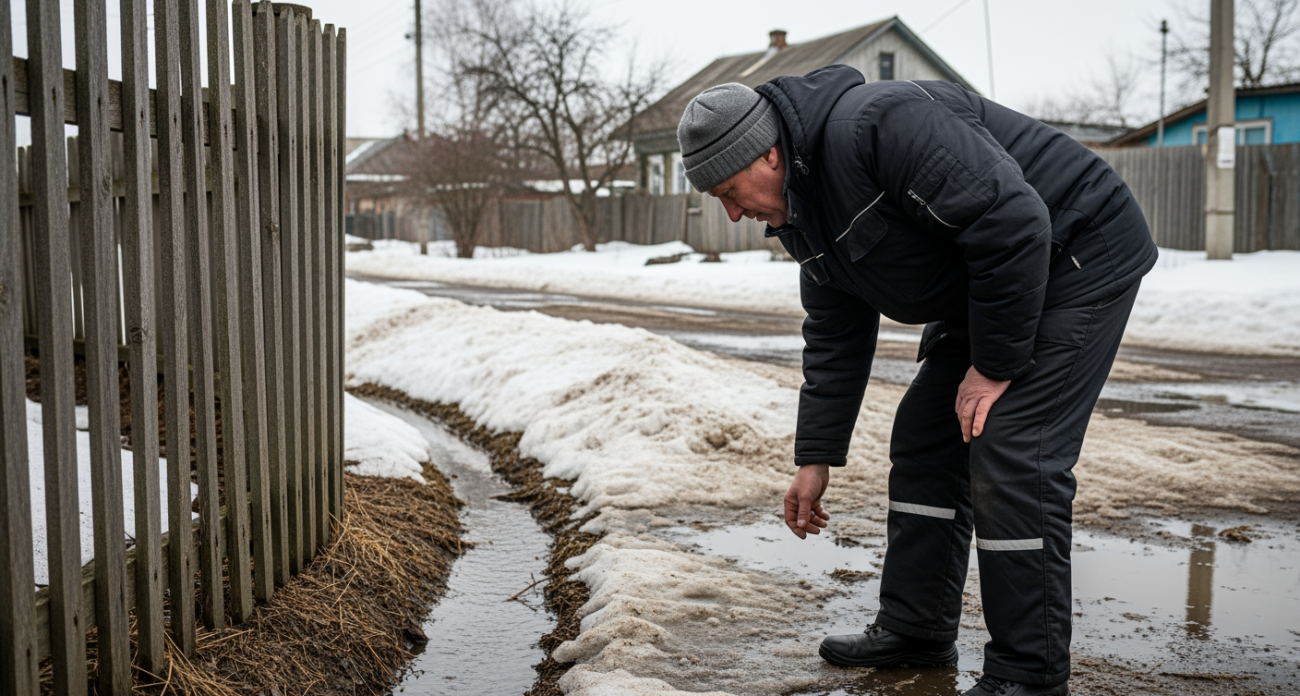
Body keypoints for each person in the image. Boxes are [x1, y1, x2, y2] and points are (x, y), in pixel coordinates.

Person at [674, 66, 1157, 696]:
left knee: (1011, 446)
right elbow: (835, 334)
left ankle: (1029, 675)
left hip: (1076, 248)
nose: (735, 214)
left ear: (767, 153)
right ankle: (916, 626)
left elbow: (1012, 222)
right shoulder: (803, 211)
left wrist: (994, 366)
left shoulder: (878, 125)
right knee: (927, 435)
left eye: (730, 191)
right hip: (991, 283)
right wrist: (816, 457)